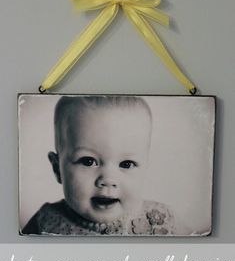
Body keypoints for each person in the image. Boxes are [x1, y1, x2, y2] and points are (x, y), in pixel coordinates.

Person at [21, 96, 175, 236]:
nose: (108, 179)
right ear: (57, 168)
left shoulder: (164, 220)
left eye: (126, 164)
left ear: (146, 167)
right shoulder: (45, 222)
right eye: (88, 161)